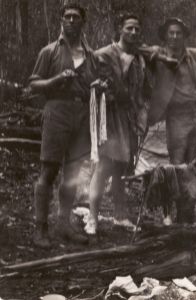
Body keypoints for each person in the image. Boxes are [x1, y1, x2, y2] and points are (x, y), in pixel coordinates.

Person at [28, 3, 99, 247]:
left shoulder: (91, 56)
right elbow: (34, 84)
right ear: (61, 21)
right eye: (67, 17)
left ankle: (63, 224)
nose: (71, 21)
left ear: (82, 22)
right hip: (56, 111)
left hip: (81, 114)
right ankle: (40, 229)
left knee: (72, 174)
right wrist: (56, 80)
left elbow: (95, 83)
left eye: (75, 17)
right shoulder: (49, 51)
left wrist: (100, 87)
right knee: (48, 171)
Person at [147, 17, 196, 225]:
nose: (174, 37)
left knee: (191, 167)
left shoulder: (195, 55)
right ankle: (167, 213)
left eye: (178, 33)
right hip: (176, 116)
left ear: (184, 36)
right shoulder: (160, 54)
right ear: (165, 35)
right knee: (175, 166)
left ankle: (185, 212)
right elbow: (141, 52)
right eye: (170, 33)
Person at [85, 13, 150, 235]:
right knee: (104, 167)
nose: (133, 32)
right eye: (129, 28)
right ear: (120, 29)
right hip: (109, 118)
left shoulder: (140, 60)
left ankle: (119, 215)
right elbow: (88, 82)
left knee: (122, 169)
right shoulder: (103, 54)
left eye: (137, 29)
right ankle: (92, 218)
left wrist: (142, 116)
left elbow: (141, 92)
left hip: (128, 118)